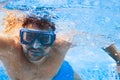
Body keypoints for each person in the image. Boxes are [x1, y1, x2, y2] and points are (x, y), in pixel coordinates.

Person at [0, 10, 81, 80]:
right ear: (21, 37)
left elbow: (86, 36)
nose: (36, 46)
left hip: (60, 75)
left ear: (53, 40)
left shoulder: (61, 45)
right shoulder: (10, 46)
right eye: (29, 37)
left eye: (44, 39)